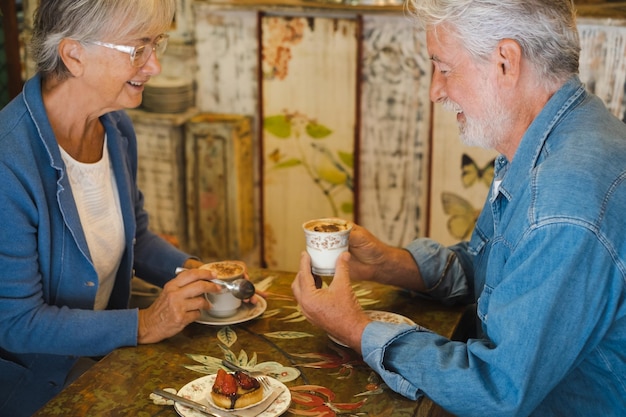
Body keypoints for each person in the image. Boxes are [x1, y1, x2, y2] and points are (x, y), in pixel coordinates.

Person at [292, 0, 626, 415]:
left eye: (444, 69)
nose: (436, 91)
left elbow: (496, 388)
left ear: (505, 61)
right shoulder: (553, 138)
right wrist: (389, 265)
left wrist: (355, 327)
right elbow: (497, 269)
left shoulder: (563, 203)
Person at [0, 1, 223, 415]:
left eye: (157, 44)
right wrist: (145, 323)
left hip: (102, 363)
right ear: (74, 55)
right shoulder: (8, 162)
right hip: (35, 388)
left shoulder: (114, 126)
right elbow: (16, 323)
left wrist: (195, 271)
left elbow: (134, 235)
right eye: (138, 49)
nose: (153, 66)